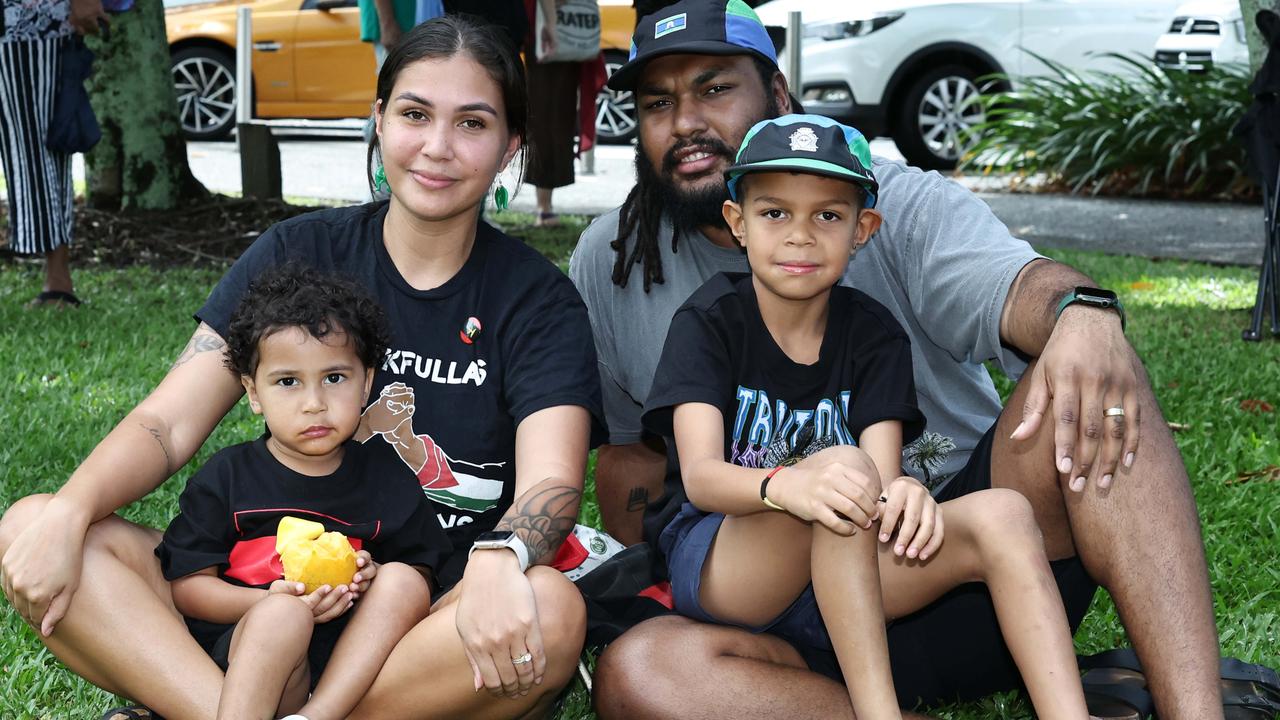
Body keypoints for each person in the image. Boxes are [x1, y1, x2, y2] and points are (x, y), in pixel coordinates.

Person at [568, 0, 1223, 717]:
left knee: (1092, 377)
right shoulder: (615, 260)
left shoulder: (893, 210)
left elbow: (1022, 289)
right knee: (646, 674)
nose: (687, 120)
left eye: (714, 87)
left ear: (778, 95)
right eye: (659, 101)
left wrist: (1085, 316)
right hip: (789, 626)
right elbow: (635, 460)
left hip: (943, 568)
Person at [1, 15, 601, 720]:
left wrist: (503, 559)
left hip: (423, 613)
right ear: (378, 122)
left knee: (552, 611)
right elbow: (166, 424)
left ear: (510, 147)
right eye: (414, 114)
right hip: (256, 597)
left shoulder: (537, 300)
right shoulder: (299, 250)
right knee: (34, 524)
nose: (437, 147)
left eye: (472, 123)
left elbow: (553, 483)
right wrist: (70, 511)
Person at [642, 113, 1092, 719]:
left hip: (844, 572)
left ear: (863, 229)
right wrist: (793, 486)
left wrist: (906, 494)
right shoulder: (709, 322)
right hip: (732, 560)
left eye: (827, 215)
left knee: (1002, 513)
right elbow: (702, 478)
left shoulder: (875, 333)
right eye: (775, 213)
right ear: (737, 222)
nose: (800, 236)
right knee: (842, 468)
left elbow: (879, 485)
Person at [156, 265, 445, 720]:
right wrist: (272, 601)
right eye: (288, 381)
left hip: (349, 671)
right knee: (284, 617)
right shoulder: (228, 477)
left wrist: (371, 576)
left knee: (405, 579)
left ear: (367, 381)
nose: (314, 402)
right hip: (253, 663)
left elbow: (426, 581)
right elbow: (189, 588)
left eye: (334, 378)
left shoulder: (386, 477)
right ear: (253, 393)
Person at [0, 0, 105, 308]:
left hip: (26, 26)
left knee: (39, 151)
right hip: (25, 29)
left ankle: (58, 284)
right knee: (38, 149)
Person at [524, 0, 587, 226]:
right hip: (550, 34)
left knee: (550, 119)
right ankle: (544, 207)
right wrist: (551, 21)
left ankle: (544, 206)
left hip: (556, 34)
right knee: (548, 120)